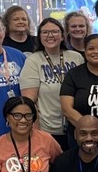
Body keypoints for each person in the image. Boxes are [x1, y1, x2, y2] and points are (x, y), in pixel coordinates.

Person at [20, 16, 84, 151]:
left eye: (55, 31)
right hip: (48, 130)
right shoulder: (33, 61)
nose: (50, 35)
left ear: (62, 36)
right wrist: (36, 134)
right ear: (40, 37)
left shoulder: (76, 57)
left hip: (77, 126)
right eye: (45, 32)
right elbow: (29, 102)